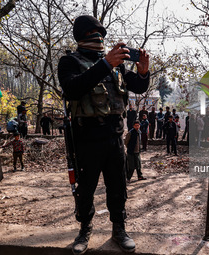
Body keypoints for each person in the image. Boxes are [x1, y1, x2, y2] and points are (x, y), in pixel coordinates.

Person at [57, 15, 149, 254]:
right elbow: (73, 89)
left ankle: (119, 228)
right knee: (85, 189)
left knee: (118, 186)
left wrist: (143, 72)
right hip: (86, 139)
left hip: (115, 138)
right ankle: (85, 229)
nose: (99, 39)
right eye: (94, 34)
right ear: (82, 37)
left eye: (101, 35)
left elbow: (138, 86)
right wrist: (106, 64)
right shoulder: (69, 62)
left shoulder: (114, 63)